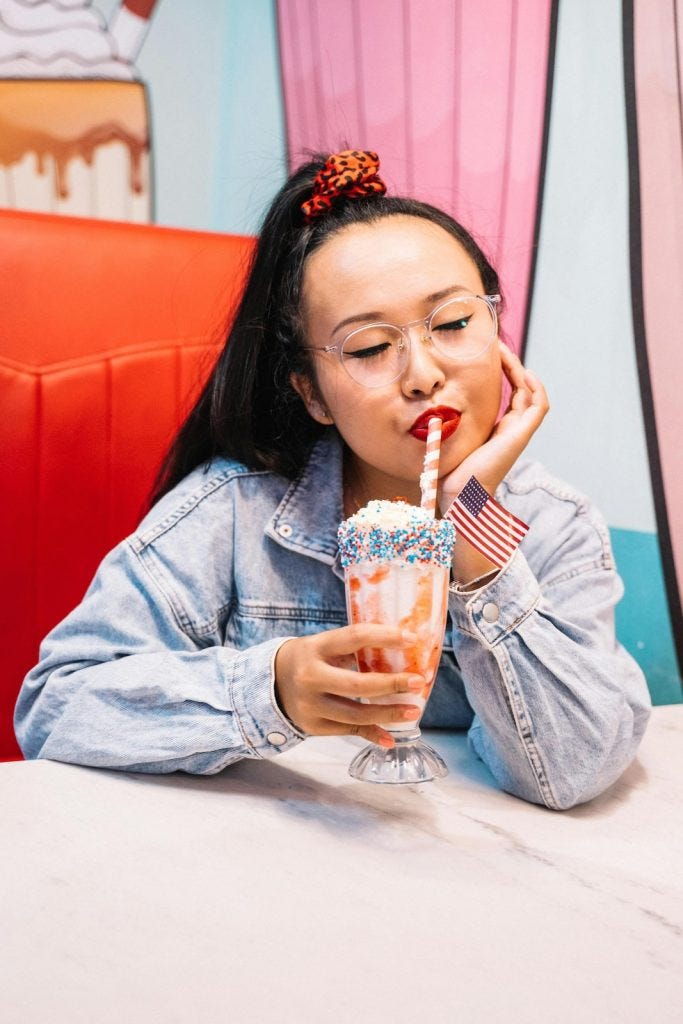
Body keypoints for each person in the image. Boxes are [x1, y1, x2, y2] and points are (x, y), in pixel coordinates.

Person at [15, 149, 651, 809]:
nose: (422, 373)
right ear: (311, 393)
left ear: (497, 331)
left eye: (454, 323)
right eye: (371, 348)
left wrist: (471, 540)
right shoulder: (234, 517)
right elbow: (54, 706)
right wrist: (273, 691)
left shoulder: (552, 526)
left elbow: (574, 767)